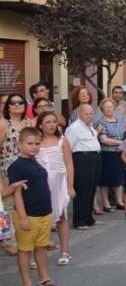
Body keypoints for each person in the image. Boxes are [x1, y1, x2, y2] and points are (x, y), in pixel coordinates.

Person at [7, 127, 57, 286]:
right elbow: (17, 193)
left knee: (41, 247)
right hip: (28, 215)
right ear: (19, 144)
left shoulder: (36, 162)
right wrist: (22, 217)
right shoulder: (16, 167)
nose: (34, 147)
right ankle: (27, 284)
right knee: (24, 249)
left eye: (37, 143)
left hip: (44, 212)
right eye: (30, 143)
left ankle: (44, 278)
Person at [34, 111, 74, 266]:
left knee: (62, 216)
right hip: (40, 184)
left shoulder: (62, 140)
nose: (51, 125)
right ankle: (37, 253)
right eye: (47, 122)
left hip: (59, 183)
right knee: (38, 219)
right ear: (40, 125)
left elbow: (69, 163)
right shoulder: (35, 141)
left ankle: (64, 251)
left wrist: (70, 186)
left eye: (53, 122)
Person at [1, 94, 33, 255]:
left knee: (26, 209)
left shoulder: (29, 123)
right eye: (12, 103)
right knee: (9, 208)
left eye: (20, 102)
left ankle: (26, 246)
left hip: (27, 171)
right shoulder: (3, 124)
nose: (16, 105)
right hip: (8, 172)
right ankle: (10, 242)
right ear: (7, 107)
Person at [65, 104, 100, 230]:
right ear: (80, 114)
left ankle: (88, 218)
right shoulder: (74, 128)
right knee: (82, 189)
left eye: (91, 114)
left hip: (94, 157)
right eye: (87, 114)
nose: (89, 116)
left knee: (91, 188)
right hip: (82, 159)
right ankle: (79, 220)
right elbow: (68, 146)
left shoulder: (89, 126)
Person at [95, 98, 126, 213]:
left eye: (110, 107)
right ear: (102, 109)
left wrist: (124, 145)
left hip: (118, 153)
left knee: (118, 178)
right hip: (106, 154)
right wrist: (119, 143)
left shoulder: (119, 120)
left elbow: (124, 135)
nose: (108, 109)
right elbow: (104, 140)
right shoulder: (101, 122)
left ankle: (119, 201)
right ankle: (106, 203)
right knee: (105, 180)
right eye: (106, 107)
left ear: (114, 108)